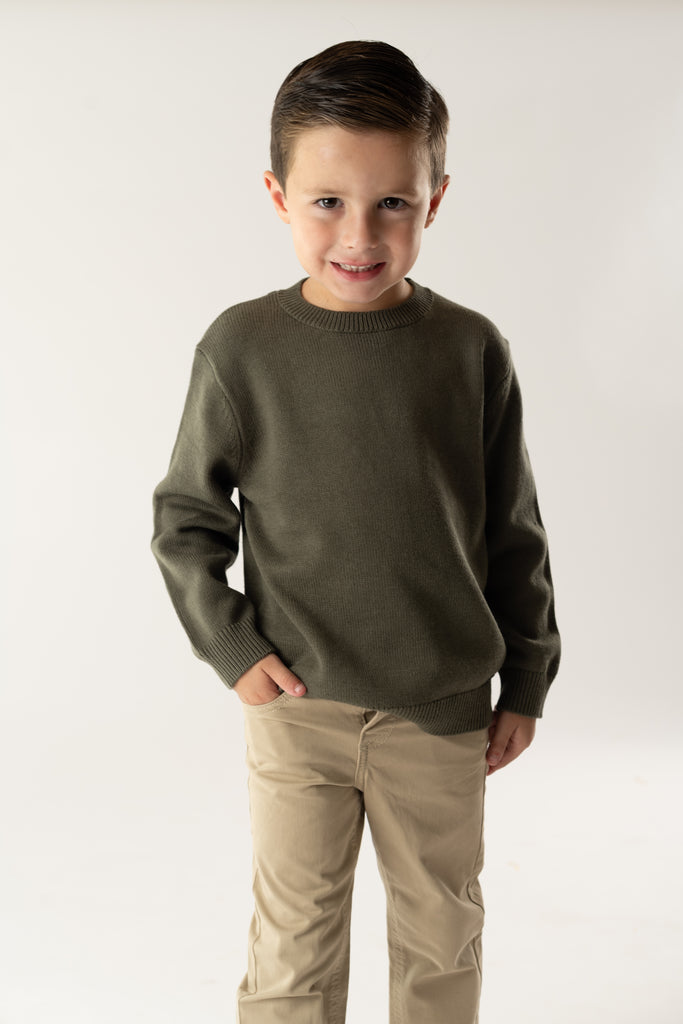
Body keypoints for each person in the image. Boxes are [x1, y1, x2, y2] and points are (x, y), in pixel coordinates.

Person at [152, 39, 560, 1024]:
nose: (359, 234)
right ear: (277, 195)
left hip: (442, 706)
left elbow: (512, 526)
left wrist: (527, 675)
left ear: (434, 201)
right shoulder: (241, 348)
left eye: (393, 203)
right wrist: (233, 646)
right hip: (299, 704)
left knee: (441, 933)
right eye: (328, 201)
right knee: (292, 943)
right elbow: (187, 517)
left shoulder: (469, 349)